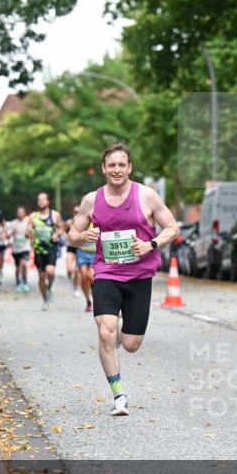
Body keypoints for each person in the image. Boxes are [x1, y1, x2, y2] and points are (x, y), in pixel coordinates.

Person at [69, 143, 179, 417]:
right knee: (105, 330)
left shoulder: (147, 196)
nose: (117, 170)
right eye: (112, 165)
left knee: (130, 344)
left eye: (122, 165)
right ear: (104, 168)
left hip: (140, 276)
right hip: (106, 273)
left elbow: (173, 227)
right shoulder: (92, 200)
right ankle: (119, 395)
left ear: (129, 167)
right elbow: (71, 233)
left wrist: (150, 244)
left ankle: (116, 338)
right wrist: (82, 237)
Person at [30, 191, 63, 310]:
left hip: (51, 247)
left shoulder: (55, 215)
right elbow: (29, 231)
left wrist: (57, 234)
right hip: (39, 249)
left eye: (43, 199)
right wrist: (30, 237)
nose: (41, 202)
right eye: (39, 200)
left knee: (50, 271)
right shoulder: (33, 216)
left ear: (48, 201)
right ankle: (45, 298)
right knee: (41, 277)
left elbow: (61, 228)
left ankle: (50, 288)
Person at [8, 206, 33, 292]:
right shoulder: (13, 223)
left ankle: (25, 281)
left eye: (22, 212)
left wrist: (28, 234)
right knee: (18, 267)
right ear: (16, 213)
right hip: (16, 249)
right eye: (19, 212)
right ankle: (18, 282)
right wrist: (12, 232)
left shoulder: (27, 223)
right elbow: (8, 235)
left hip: (25, 248)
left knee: (24, 264)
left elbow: (32, 236)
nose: (20, 214)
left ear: (24, 213)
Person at [75, 221, 96, 312]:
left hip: (95, 253)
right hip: (82, 252)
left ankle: (95, 294)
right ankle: (88, 301)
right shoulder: (82, 220)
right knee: (83, 277)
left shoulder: (99, 218)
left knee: (91, 276)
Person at [65, 206, 81, 297]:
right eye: (75, 212)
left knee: (76, 270)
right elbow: (62, 230)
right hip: (70, 247)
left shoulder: (85, 221)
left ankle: (75, 289)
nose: (77, 213)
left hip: (79, 248)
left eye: (78, 212)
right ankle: (70, 280)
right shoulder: (69, 222)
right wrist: (65, 235)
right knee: (69, 269)